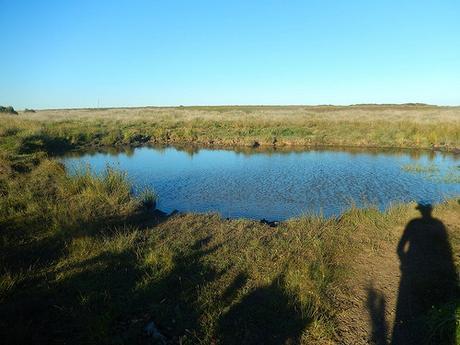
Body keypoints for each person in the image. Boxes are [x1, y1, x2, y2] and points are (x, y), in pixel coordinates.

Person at [392, 203, 458, 344]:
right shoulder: (438, 224)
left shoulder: (414, 223)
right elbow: (445, 247)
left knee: (416, 296)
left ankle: (422, 319)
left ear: (421, 211)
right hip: (427, 268)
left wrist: (404, 263)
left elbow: (400, 248)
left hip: (415, 268)